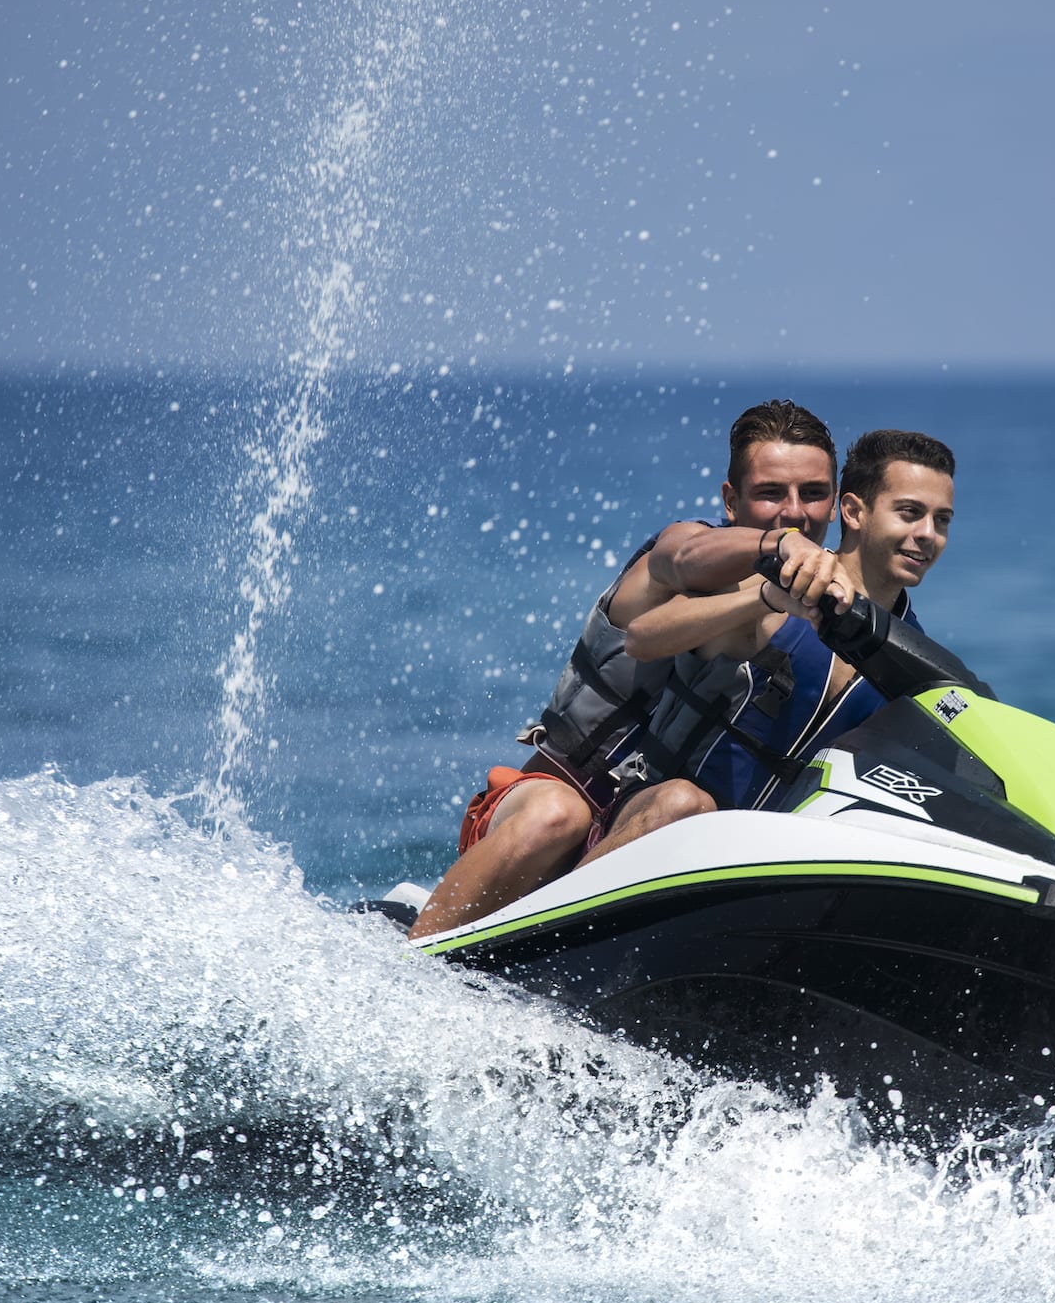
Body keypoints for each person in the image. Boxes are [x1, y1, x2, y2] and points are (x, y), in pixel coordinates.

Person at [408, 400, 850, 939]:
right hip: (539, 814)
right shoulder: (673, 554)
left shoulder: (802, 620)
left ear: (837, 505)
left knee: (686, 805)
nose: (794, 513)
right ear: (731, 501)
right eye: (770, 494)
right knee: (559, 815)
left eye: (813, 494)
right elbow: (686, 563)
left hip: (638, 837)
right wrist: (777, 548)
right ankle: (416, 958)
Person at [589, 429, 955, 858]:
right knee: (685, 803)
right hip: (655, 820)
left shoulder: (909, 656)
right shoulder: (771, 587)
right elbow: (641, 638)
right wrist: (761, 599)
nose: (928, 534)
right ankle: (558, 918)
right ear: (854, 512)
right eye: (910, 513)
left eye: (942, 520)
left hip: (762, 866)